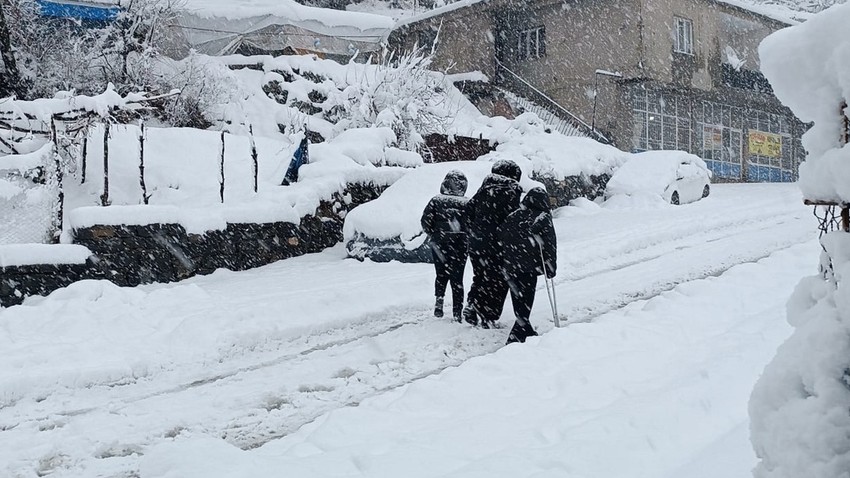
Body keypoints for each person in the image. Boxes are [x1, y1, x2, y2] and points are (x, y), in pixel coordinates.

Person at [462, 159, 523, 328]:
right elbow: (513, 220)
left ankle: (473, 304)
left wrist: (474, 231)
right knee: (498, 280)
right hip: (497, 245)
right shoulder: (512, 190)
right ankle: (487, 315)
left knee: (480, 276)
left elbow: (468, 212)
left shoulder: (484, 189)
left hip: (476, 244)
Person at [498, 187, 557, 344]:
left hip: (510, 265)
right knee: (527, 298)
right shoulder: (543, 217)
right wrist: (550, 266)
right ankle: (515, 334)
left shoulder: (513, 216)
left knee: (518, 297)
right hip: (528, 266)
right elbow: (549, 244)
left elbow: (502, 237)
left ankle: (526, 329)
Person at [420, 170, 470, 321]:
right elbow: (472, 224)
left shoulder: (436, 200)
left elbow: (425, 221)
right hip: (460, 245)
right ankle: (457, 312)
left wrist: (434, 234)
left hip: (439, 244)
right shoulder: (467, 203)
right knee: (457, 278)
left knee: (441, 274)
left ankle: (439, 301)